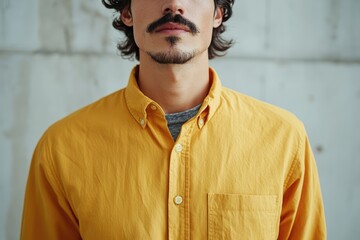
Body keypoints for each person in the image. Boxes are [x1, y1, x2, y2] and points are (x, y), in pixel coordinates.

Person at [21, 0, 326, 239]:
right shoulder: (62, 148)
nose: (174, 5)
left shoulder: (284, 138)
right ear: (127, 11)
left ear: (218, 12)